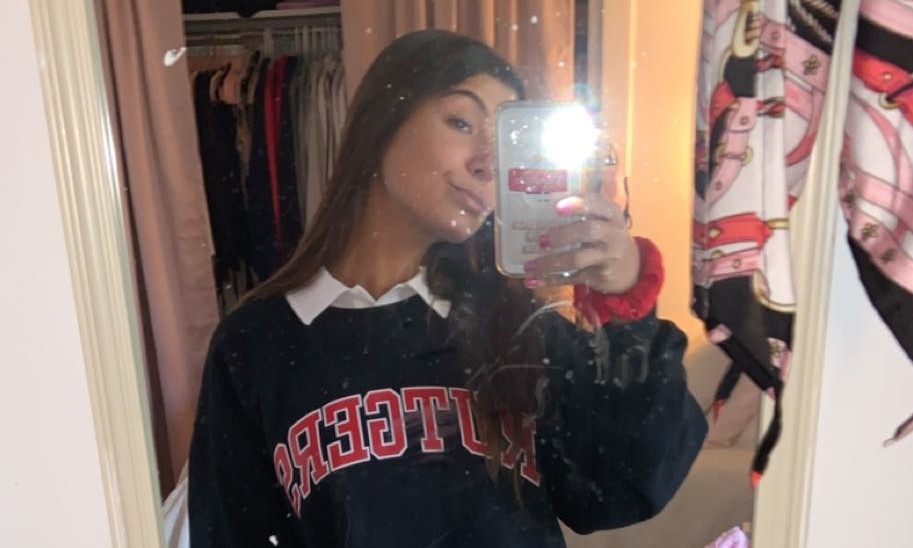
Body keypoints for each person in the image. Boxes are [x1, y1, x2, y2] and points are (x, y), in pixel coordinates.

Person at [188, 28, 707, 548]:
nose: (486, 163)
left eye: (502, 146)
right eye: (462, 122)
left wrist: (626, 306)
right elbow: (230, 535)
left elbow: (625, 486)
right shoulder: (256, 345)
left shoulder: (518, 327)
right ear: (382, 122)